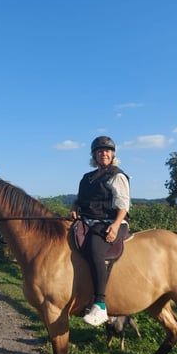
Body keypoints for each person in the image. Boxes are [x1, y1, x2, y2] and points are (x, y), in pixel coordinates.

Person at [70, 136, 130, 326]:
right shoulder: (87, 177)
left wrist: (115, 225)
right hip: (88, 221)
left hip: (109, 222)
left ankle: (100, 305)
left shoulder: (117, 175)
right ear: (94, 155)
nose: (103, 153)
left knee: (95, 249)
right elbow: (78, 200)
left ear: (112, 154)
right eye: (99, 151)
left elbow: (123, 205)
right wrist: (73, 208)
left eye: (107, 151)